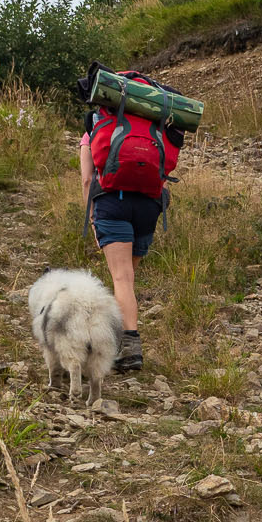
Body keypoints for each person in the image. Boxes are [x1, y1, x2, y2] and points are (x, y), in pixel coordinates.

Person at [79, 71, 184, 373]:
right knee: (128, 279)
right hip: (149, 206)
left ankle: (130, 348)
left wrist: (92, 216)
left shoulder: (96, 126)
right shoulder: (155, 125)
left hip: (113, 201)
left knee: (121, 279)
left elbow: (88, 179)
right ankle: (119, 342)